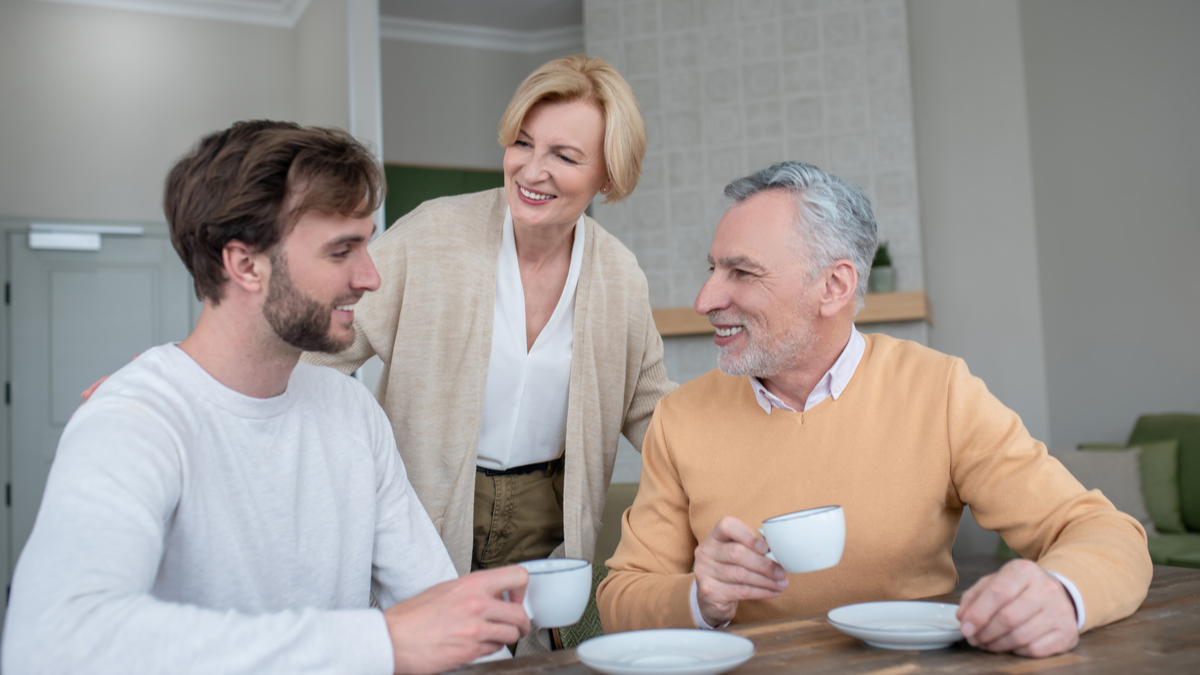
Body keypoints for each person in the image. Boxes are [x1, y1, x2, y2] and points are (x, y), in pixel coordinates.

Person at [2, 121, 531, 675]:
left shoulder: (351, 412)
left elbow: (439, 608)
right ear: (245, 264)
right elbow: (52, 643)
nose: (370, 277)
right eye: (341, 251)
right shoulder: (133, 421)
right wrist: (382, 643)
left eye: (365, 244)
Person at [596, 162, 1152, 658]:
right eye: (713, 269)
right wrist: (701, 597)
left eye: (741, 272)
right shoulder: (682, 418)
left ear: (833, 286)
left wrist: (1061, 595)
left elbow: (1102, 532)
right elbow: (622, 594)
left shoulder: (940, 392)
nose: (705, 300)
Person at [304, 55, 674, 583]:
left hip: (546, 516)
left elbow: (648, 408)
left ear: (608, 177)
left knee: (535, 638)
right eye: (523, 143)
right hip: (421, 506)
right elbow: (317, 352)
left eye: (564, 156)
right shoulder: (432, 234)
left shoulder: (620, 275)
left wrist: (738, 453)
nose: (531, 170)